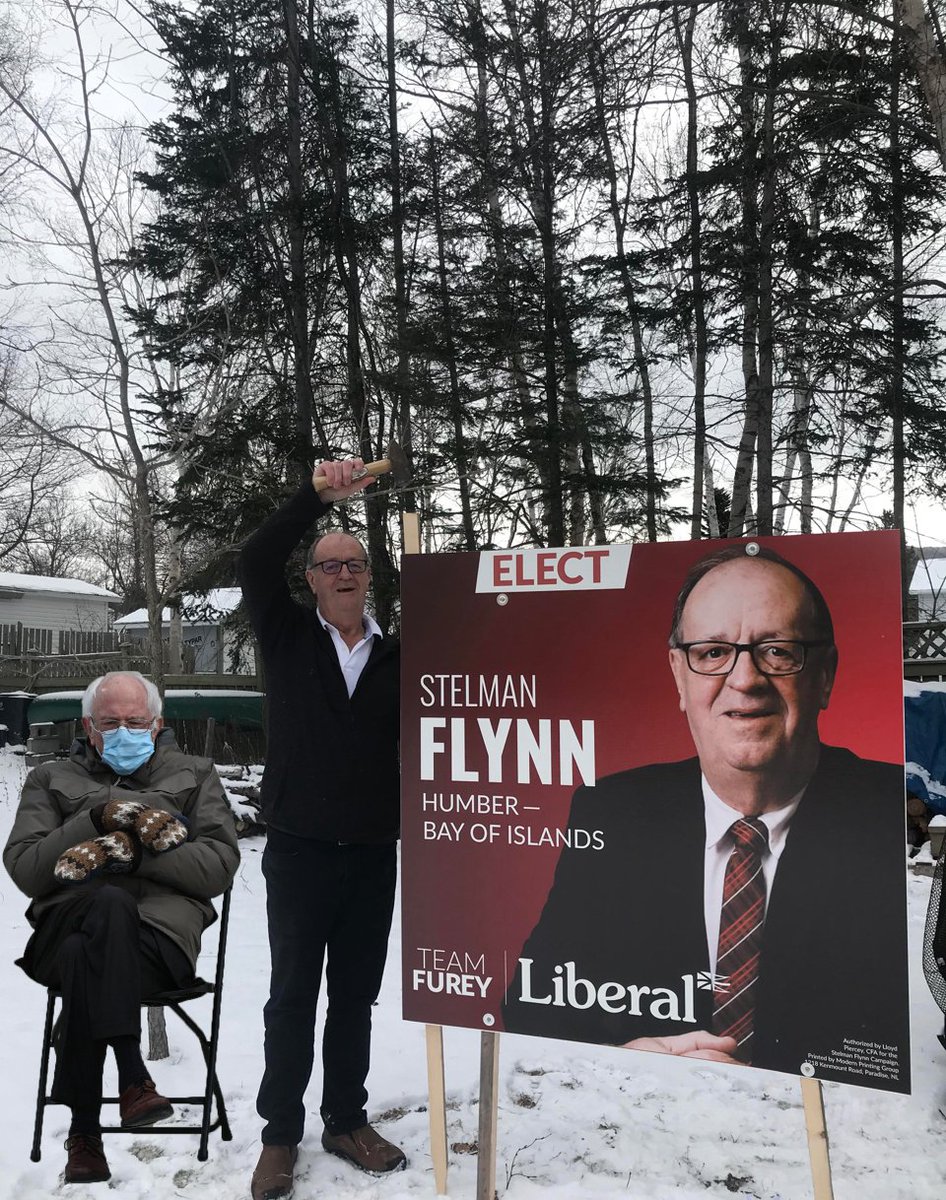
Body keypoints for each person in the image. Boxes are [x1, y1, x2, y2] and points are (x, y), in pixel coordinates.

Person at [502, 543, 910, 1089]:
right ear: (679, 675)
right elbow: (532, 1004)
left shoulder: (883, 810)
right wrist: (633, 1054)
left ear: (826, 675)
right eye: (713, 652)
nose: (745, 679)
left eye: (778, 651)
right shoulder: (613, 811)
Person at [240, 459, 404, 1200]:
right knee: (292, 996)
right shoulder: (284, 636)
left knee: (356, 996)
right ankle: (280, 1135)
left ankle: (345, 1118)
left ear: (370, 578)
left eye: (355, 564)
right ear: (310, 580)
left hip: (373, 850)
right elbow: (252, 556)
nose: (343, 574)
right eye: (329, 564)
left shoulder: (401, 654)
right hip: (301, 849)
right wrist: (316, 497)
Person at [3, 670, 239, 1184]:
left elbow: (219, 866)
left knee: (88, 946)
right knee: (101, 911)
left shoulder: (195, 773)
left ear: (156, 725)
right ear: (89, 727)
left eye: (136, 721)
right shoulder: (50, 779)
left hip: (156, 945)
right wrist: (94, 820)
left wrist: (130, 857)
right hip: (63, 928)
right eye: (111, 722)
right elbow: (25, 868)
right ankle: (133, 1074)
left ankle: (84, 1134)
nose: (124, 730)